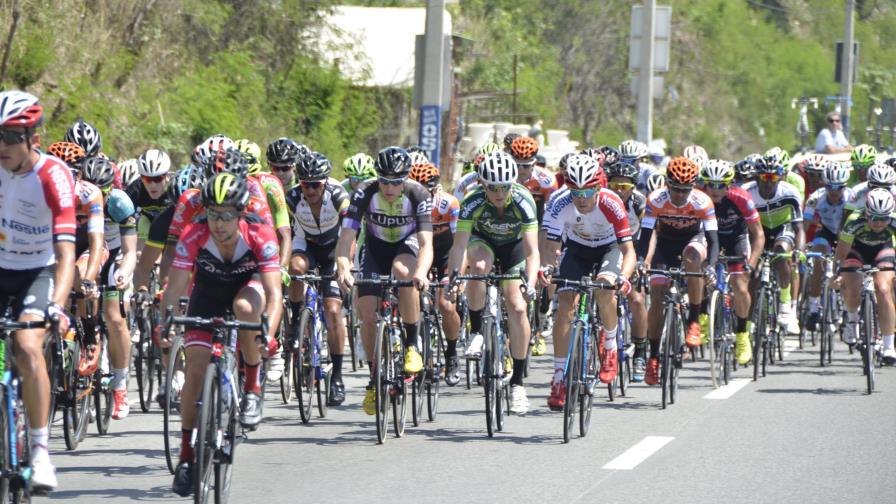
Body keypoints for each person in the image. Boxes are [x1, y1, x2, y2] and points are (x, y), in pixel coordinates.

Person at [164, 172, 282, 496]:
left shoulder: (260, 233)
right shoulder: (194, 233)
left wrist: (267, 335)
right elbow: (174, 287)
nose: (219, 223)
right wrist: (165, 322)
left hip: (249, 287)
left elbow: (274, 295)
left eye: (227, 215)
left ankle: (253, 388)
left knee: (246, 309)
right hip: (208, 292)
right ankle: (187, 455)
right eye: (213, 213)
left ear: (241, 213)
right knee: (195, 372)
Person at [0, 90, 76, 492]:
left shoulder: (54, 176)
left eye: (11, 136)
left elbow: (66, 255)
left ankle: (41, 452)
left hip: (38, 270)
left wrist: (55, 306)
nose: (2, 146)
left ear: (33, 137)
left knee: (28, 345)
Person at [334, 146, 433, 415]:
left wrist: (421, 272)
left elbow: (426, 243)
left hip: (407, 243)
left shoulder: (418, 193)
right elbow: (346, 239)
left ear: (406, 178)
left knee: (404, 271)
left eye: (396, 181)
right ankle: (374, 378)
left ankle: (412, 344)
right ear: (377, 177)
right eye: (385, 181)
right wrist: (343, 266)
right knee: (366, 313)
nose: (389, 188)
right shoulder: (363, 193)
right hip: (376, 247)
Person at [444, 151, 540, 414]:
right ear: (482, 184)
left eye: (504, 187)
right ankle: (476, 331)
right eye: (493, 187)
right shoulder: (472, 201)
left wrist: (530, 284)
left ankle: (518, 384)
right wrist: (453, 276)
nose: (499, 193)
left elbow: (532, 251)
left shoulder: (523, 200)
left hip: (514, 248)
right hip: (482, 243)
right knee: (479, 267)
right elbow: (459, 245)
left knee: (518, 308)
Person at [539, 154, 635, 410]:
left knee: (605, 289)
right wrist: (547, 268)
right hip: (577, 249)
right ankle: (559, 377)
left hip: (608, 248)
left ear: (598, 186)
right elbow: (551, 245)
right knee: (565, 305)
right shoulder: (560, 201)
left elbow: (628, 251)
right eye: (576, 191)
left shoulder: (611, 202)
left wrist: (623, 278)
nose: (581, 198)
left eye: (588, 190)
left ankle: (611, 345)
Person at [637, 157, 719, 385]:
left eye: (685, 190)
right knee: (657, 297)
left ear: (693, 186)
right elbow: (646, 235)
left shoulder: (703, 201)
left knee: (692, 260)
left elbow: (713, 240)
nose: (680, 195)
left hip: (694, 240)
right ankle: (653, 357)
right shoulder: (656, 199)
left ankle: (693, 321)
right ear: (667, 184)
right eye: (675, 189)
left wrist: (710, 266)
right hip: (665, 244)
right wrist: (643, 260)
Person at [286, 152, 351, 405]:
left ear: (325, 182)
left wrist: (345, 264)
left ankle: (337, 377)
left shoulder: (338, 195)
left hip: (335, 247)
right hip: (307, 244)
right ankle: (295, 320)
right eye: (305, 184)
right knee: (296, 268)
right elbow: (282, 230)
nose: (310, 189)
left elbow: (351, 230)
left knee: (333, 311)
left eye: (316, 184)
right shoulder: (292, 197)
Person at [79, 157, 139, 419]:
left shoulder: (120, 203)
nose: (94, 195)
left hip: (113, 258)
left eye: (101, 190)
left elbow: (130, 252)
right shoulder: (74, 198)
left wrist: (125, 273)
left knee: (115, 317)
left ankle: (120, 385)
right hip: (86, 253)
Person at [700, 160, 765, 364]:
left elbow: (759, 234)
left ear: (729, 185)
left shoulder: (741, 198)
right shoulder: (699, 197)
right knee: (699, 271)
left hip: (736, 238)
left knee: (739, 284)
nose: (715, 190)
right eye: (711, 184)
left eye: (721, 185)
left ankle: (742, 335)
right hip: (710, 237)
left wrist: (751, 263)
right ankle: (702, 317)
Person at [407, 162, 462, 385]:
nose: (421, 195)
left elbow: (460, 242)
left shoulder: (449, 204)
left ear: (436, 189)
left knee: (446, 305)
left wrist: (458, 274)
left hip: (446, 256)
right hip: (422, 254)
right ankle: (418, 354)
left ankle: (451, 354)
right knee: (412, 300)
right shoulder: (406, 204)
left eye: (426, 190)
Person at [832, 188, 896, 363]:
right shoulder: (854, 221)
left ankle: (889, 346)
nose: (878, 223)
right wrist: (836, 273)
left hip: (882, 249)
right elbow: (842, 252)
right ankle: (852, 321)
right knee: (852, 287)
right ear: (866, 213)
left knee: (883, 289)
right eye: (874, 218)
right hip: (856, 250)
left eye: (884, 218)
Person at [743, 156, 805, 335]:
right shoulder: (747, 193)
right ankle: (747, 325)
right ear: (757, 177)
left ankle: (786, 307)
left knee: (780, 255)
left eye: (773, 178)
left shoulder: (790, 192)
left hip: (782, 229)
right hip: (757, 231)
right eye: (764, 177)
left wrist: (799, 251)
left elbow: (799, 227)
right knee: (753, 277)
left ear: (780, 177)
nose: (769, 182)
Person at [604, 160, 650, 380]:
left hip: (632, 249)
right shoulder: (601, 200)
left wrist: (644, 260)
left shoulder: (639, 203)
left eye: (624, 187)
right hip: (605, 248)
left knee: (637, 299)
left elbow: (652, 233)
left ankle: (640, 350)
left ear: (633, 187)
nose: (619, 191)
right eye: (614, 186)